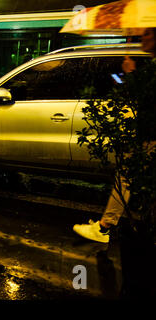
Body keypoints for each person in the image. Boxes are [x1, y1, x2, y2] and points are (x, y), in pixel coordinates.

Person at [73, 28, 156, 243]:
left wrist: (130, 75)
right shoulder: (150, 64)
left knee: (125, 177)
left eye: (147, 34)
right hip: (147, 132)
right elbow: (127, 89)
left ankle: (105, 227)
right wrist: (123, 76)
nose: (142, 38)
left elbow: (146, 97)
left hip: (150, 134)